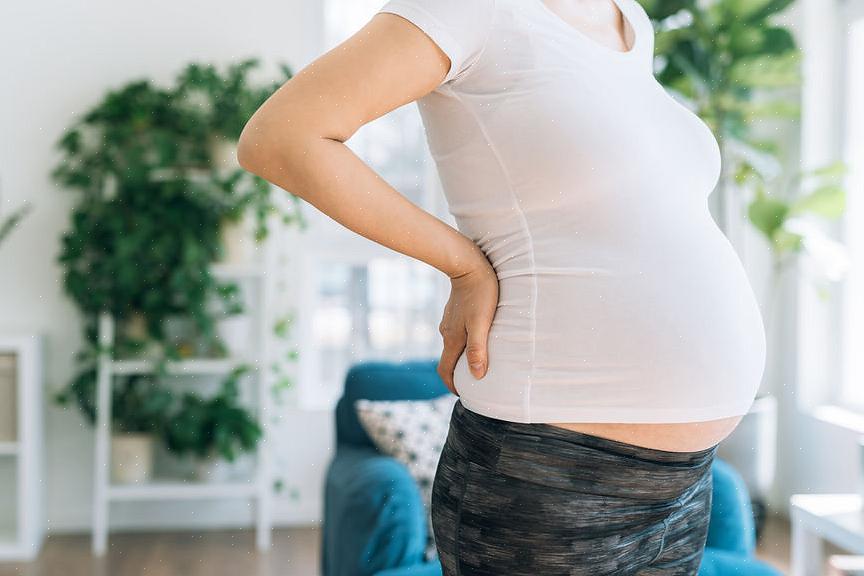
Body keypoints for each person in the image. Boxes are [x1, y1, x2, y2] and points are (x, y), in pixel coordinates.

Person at [237, 0, 767, 573]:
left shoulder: (629, 21)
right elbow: (282, 136)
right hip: (551, 474)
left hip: (681, 483)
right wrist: (462, 262)